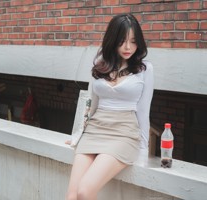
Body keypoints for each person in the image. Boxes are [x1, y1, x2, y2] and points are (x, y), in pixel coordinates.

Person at [66, 13, 154, 200]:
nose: (128, 47)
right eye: (122, 41)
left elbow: (144, 110)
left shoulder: (145, 69)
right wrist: (77, 134)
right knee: (72, 196)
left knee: (85, 191)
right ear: (113, 40)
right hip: (95, 130)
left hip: (124, 134)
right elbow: (91, 104)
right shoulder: (101, 65)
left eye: (133, 41)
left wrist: (144, 150)